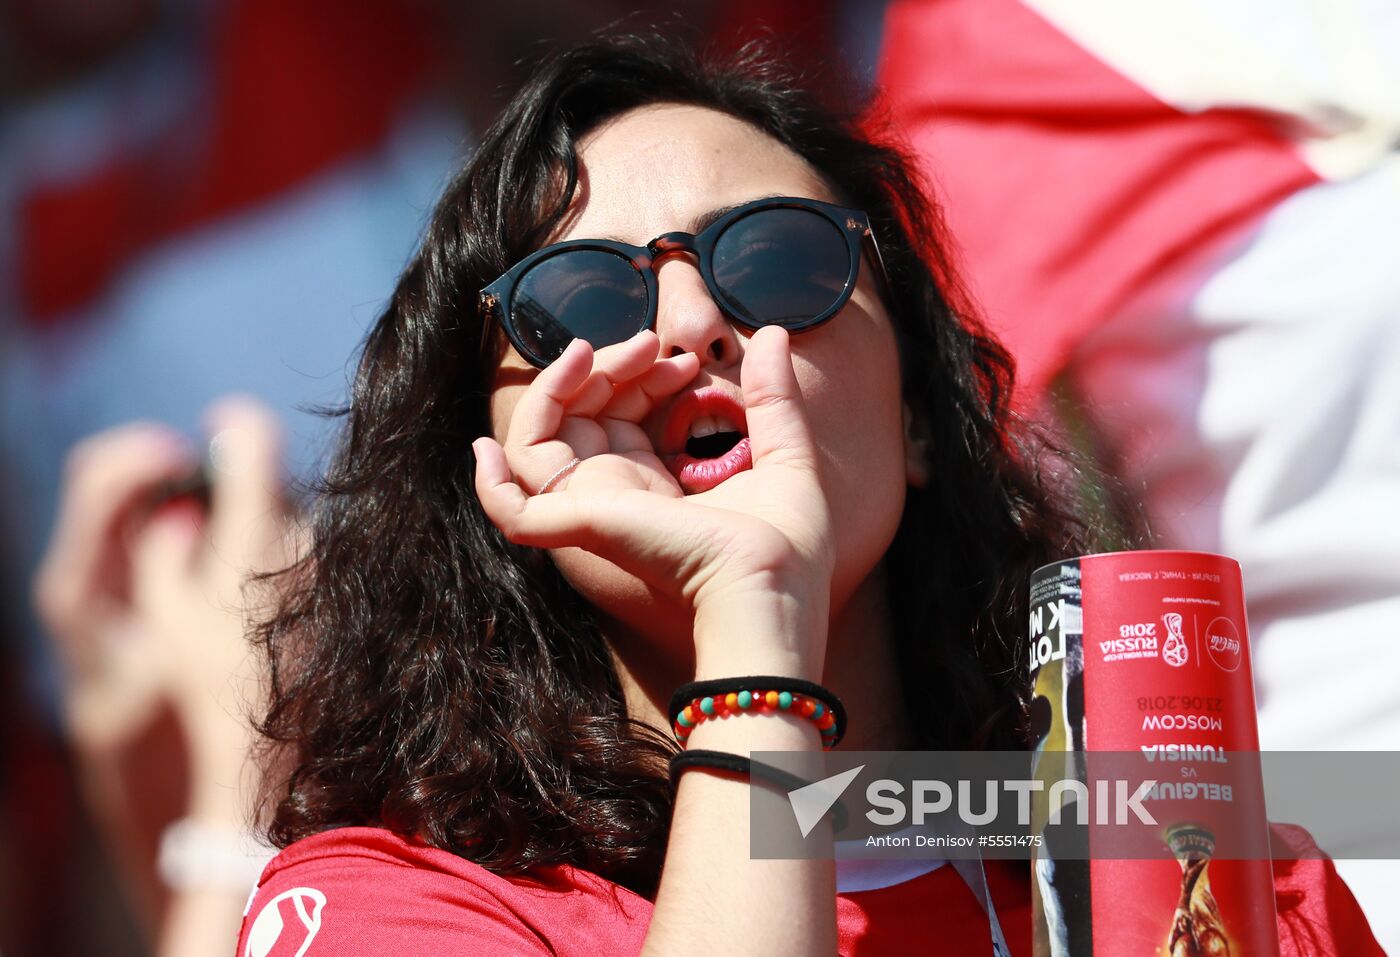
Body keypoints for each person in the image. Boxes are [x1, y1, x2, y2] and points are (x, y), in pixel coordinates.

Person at [237, 33, 1383, 956]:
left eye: (778, 263)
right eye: (581, 300)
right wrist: (751, 634)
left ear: (921, 420)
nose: (690, 327)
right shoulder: (391, 910)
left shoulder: (1221, 883)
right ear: (487, 473)